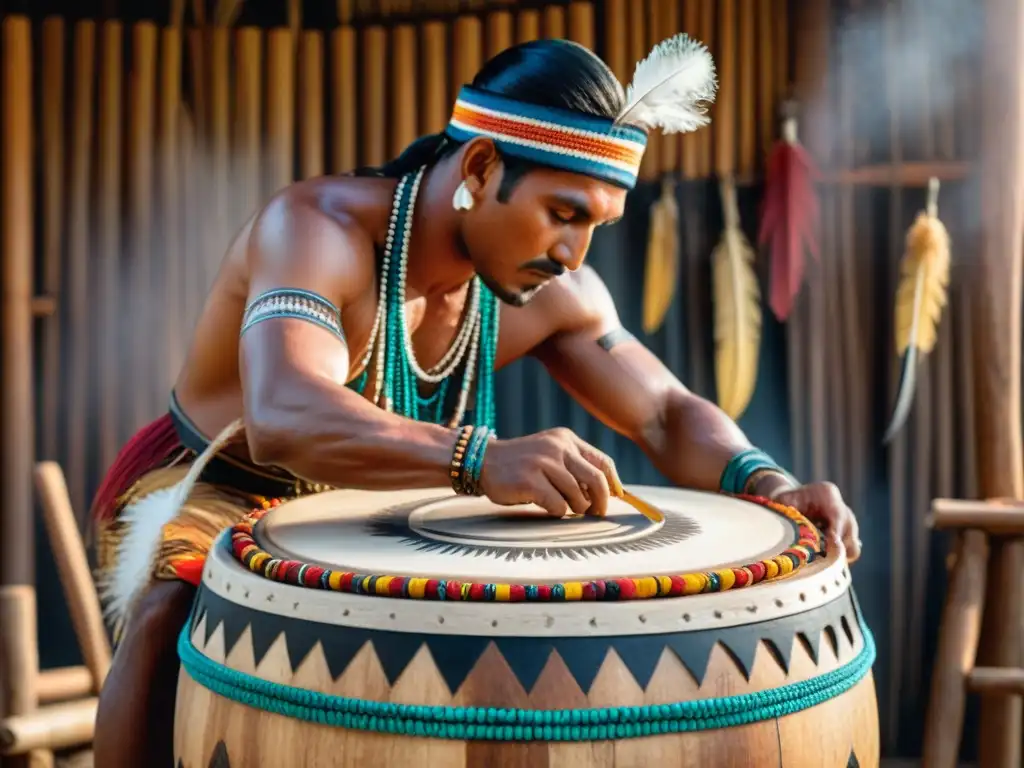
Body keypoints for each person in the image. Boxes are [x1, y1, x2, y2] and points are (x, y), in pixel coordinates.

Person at [90, 34, 861, 766]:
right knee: (171, 603)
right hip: (212, 482)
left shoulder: (544, 290)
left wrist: (769, 484)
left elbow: (664, 410)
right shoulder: (319, 229)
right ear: (483, 166)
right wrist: (478, 458)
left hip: (371, 502)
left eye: (595, 225)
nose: (572, 254)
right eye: (563, 214)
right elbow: (283, 417)